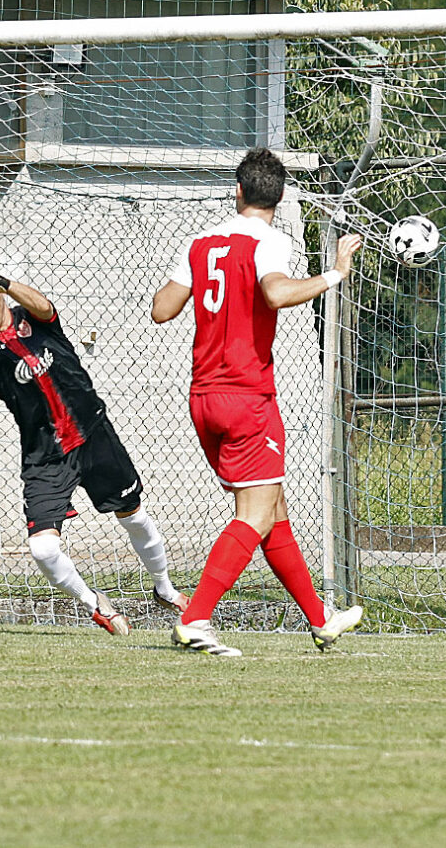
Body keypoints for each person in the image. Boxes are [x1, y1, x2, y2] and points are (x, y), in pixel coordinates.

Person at [151, 147, 365, 656]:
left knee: (273, 511)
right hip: (248, 396)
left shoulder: (202, 242)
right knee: (254, 513)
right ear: (281, 195)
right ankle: (196, 616)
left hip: (204, 397)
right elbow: (274, 294)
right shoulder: (270, 241)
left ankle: (319, 619)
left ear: (239, 190)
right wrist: (334, 273)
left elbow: (162, 309)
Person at [0, 250, 187, 635]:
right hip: (46, 456)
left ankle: (165, 588)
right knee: (42, 549)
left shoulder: (33, 318)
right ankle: (96, 605)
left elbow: (45, 305)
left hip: (93, 435)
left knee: (133, 516)